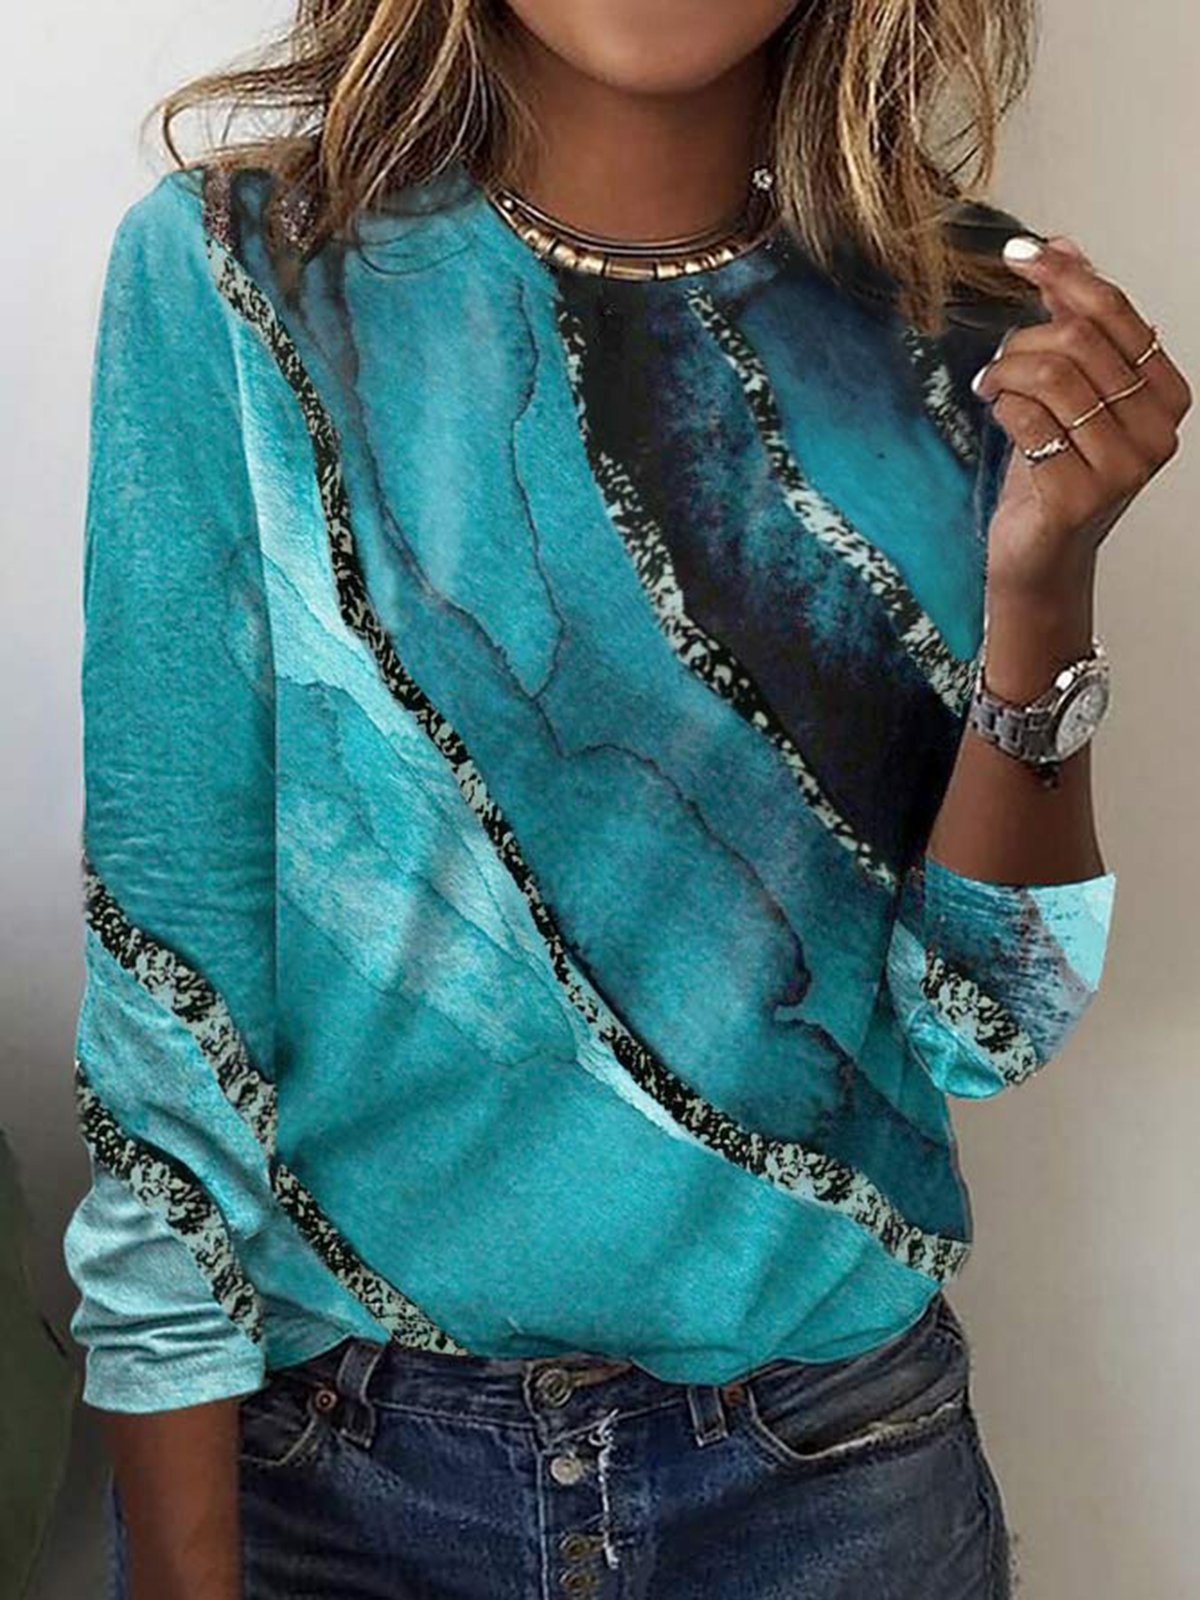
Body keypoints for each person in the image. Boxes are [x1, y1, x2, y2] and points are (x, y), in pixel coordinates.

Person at [62, 2, 1190, 1597]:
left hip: (826, 1479)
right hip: (338, 1481)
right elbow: (167, 1002)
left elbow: (987, 1026)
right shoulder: (243, 273)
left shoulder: (974, 326)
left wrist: (1046, 585)